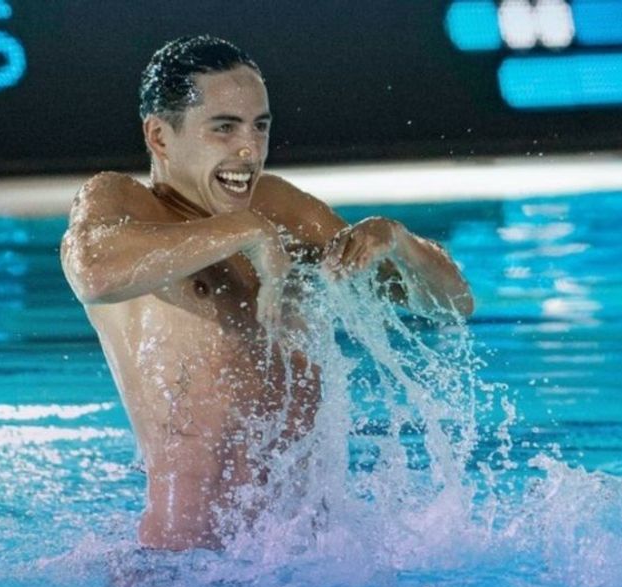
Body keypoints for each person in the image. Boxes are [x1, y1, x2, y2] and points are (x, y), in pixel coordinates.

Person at [60, 36, 473, 551]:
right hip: (186, 572)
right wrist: (244, 232)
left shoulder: (282, 207)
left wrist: (399, 242)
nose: (249, 150)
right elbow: (91, 271)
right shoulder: (125, 203)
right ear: (160, 137)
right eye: (224, 128)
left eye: (260, 125)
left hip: (309, 562)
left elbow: (452, 303)